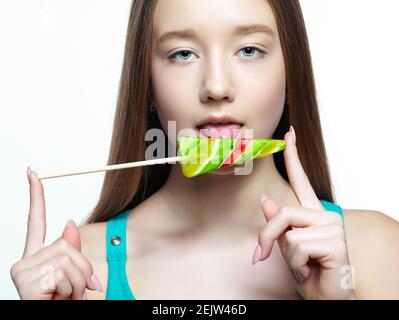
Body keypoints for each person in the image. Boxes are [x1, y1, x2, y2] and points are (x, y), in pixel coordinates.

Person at [10, 0, 399, 300]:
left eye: (249, 50)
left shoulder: (375, 251)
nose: (216, 86)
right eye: (182, 53)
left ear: (290, 70)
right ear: (146, 82)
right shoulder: (81, 270)